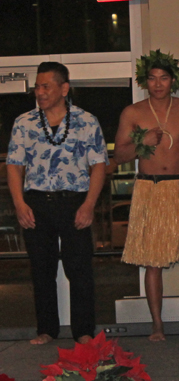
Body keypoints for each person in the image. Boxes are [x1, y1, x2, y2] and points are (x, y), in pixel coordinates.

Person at [114, 50, 179, 341]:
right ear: (145, 81)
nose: (158, 84)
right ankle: (157, 324)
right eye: (152, 78)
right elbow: (118, 155)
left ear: (173, 81)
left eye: (163, 78)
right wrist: (141, 143)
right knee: (152, 260)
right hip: (150, 189)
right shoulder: (133, 113)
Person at [6, 61, 108, 345]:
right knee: (41, 268)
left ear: (64, 88)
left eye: (46, 86)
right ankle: (47, 330)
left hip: (74, 201)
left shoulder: (86, 121)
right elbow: (14, 165)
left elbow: (98, 165)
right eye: (37, 86)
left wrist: (89, 204)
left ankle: (84, 331)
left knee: (80, 269)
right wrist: (19, 203)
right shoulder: (24, 122)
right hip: (36, 202)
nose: (40, 92)